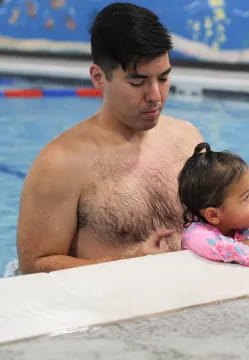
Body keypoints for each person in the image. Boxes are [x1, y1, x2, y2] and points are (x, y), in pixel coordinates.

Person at [16, 3, 204, 274]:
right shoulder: (60, 164)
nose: (155, 95)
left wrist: (247, 210)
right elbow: (33, 268)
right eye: (137, 82)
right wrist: (126, 265)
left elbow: (215, 220)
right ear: (98, 77)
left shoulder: (188, 138)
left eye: (163, 78)